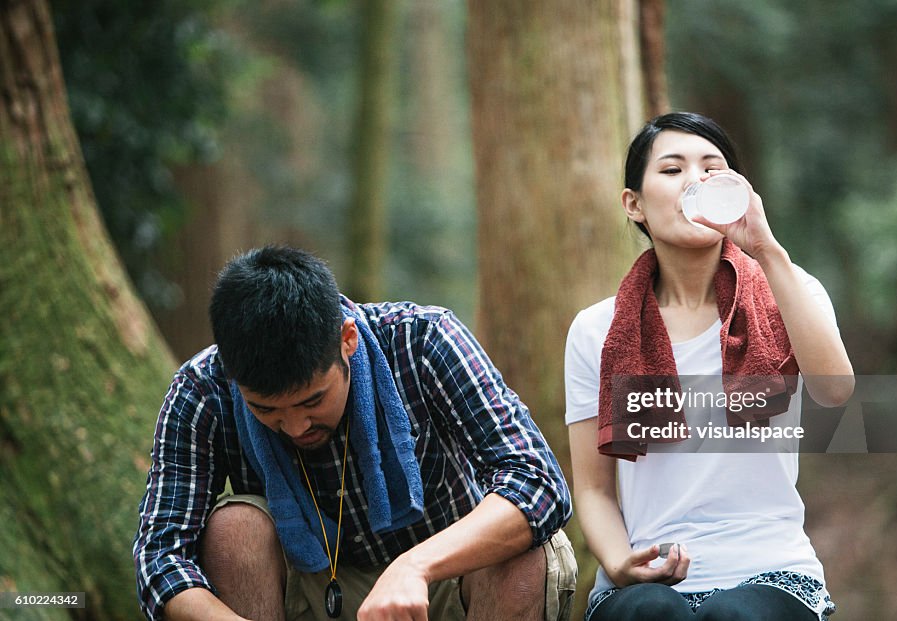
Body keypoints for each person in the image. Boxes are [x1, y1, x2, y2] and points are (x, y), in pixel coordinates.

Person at [133, 246, 576, 621]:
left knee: (525, 547)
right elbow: (161, 558)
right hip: (309, 589)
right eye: (266, 409)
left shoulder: (423, 340)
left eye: (311, 401)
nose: (295, 427)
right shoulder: (202, 388)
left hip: (445, 581)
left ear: (347, 340)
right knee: (234, 530)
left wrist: (415, 566)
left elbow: (539, 483)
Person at [564, 112, 854, 621]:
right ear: (634, 204)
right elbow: (592, 488)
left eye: (711, 169)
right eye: (672, 169)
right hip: (644, 578)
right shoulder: (597, 330)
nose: (695, 180)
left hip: (771, 569)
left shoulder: (791, 291)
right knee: (654, 613)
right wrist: (620, 563)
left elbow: (835, 391)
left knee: (734, 618)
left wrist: (766, 250)